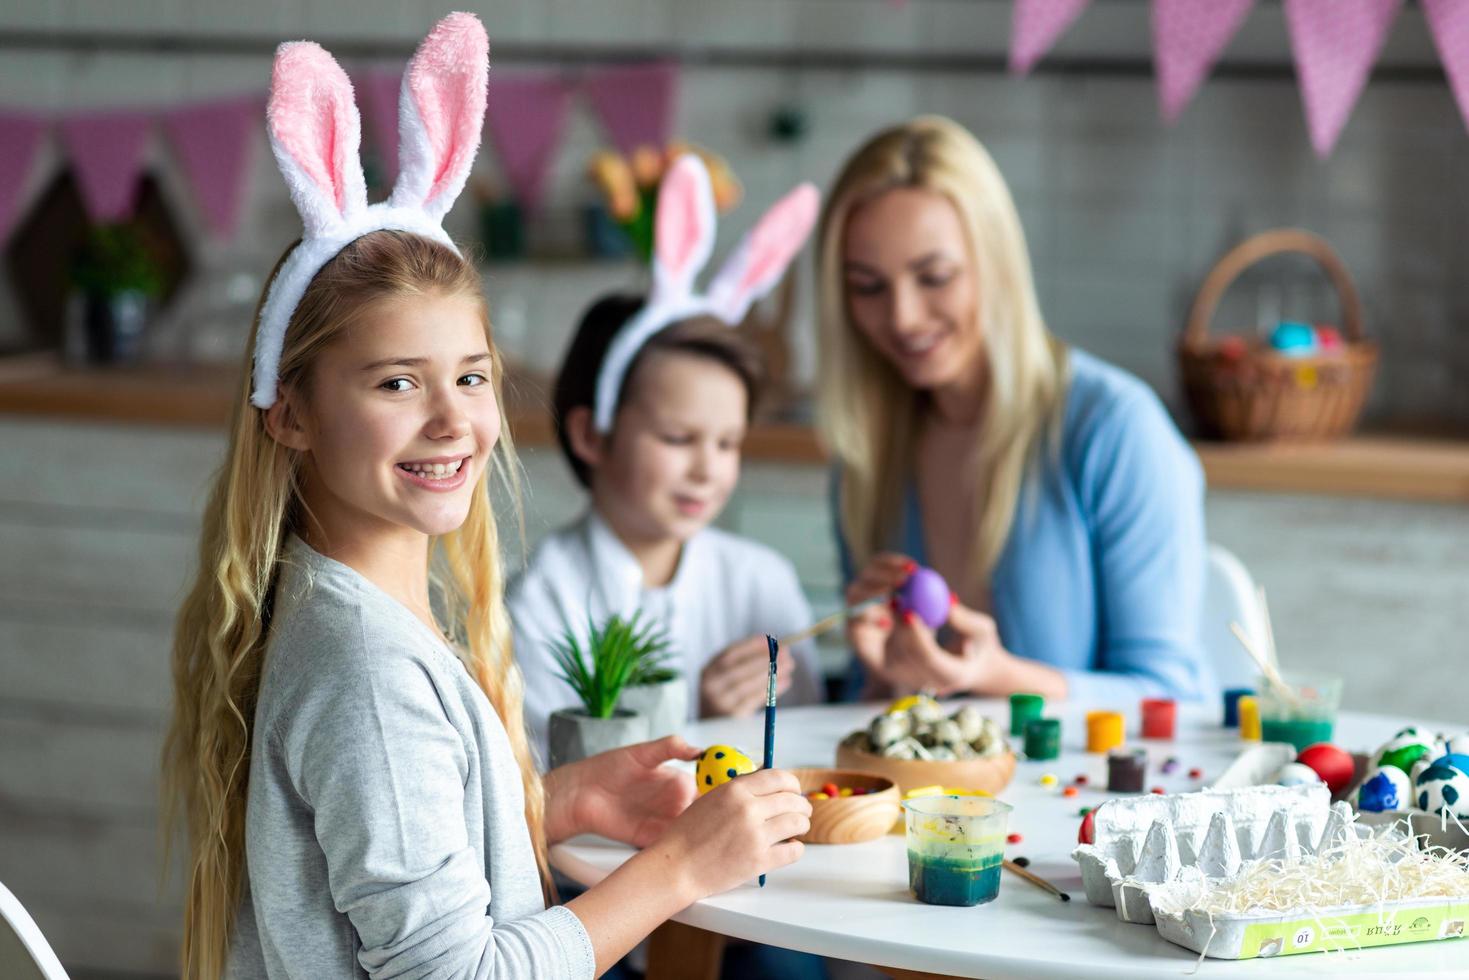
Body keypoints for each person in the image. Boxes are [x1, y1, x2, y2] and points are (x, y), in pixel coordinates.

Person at [161, 17, 809, 978]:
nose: (452, 421)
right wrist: (679, 869)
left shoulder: (354, 615)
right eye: (395, 382)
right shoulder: (369, 676)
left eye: (470, 377)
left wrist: (546, 802)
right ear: (288, 413)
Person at [815, 115, 1213, 704]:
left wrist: (995, 679)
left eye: (934, 276)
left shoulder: (1113, 430)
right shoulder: (865, 455)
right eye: (868, 286)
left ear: (995, 264)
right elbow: (883, 715)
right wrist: (881, 674)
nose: (901, 316)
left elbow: (1170, 700)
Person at [509, 155, 825, 760]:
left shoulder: (763, 584)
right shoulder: (541, 606)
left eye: (728, 443)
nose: (708, 469)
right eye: (679, 439)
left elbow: (810, 759)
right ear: (592, 436)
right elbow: (545, 795)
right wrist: (700, 726)